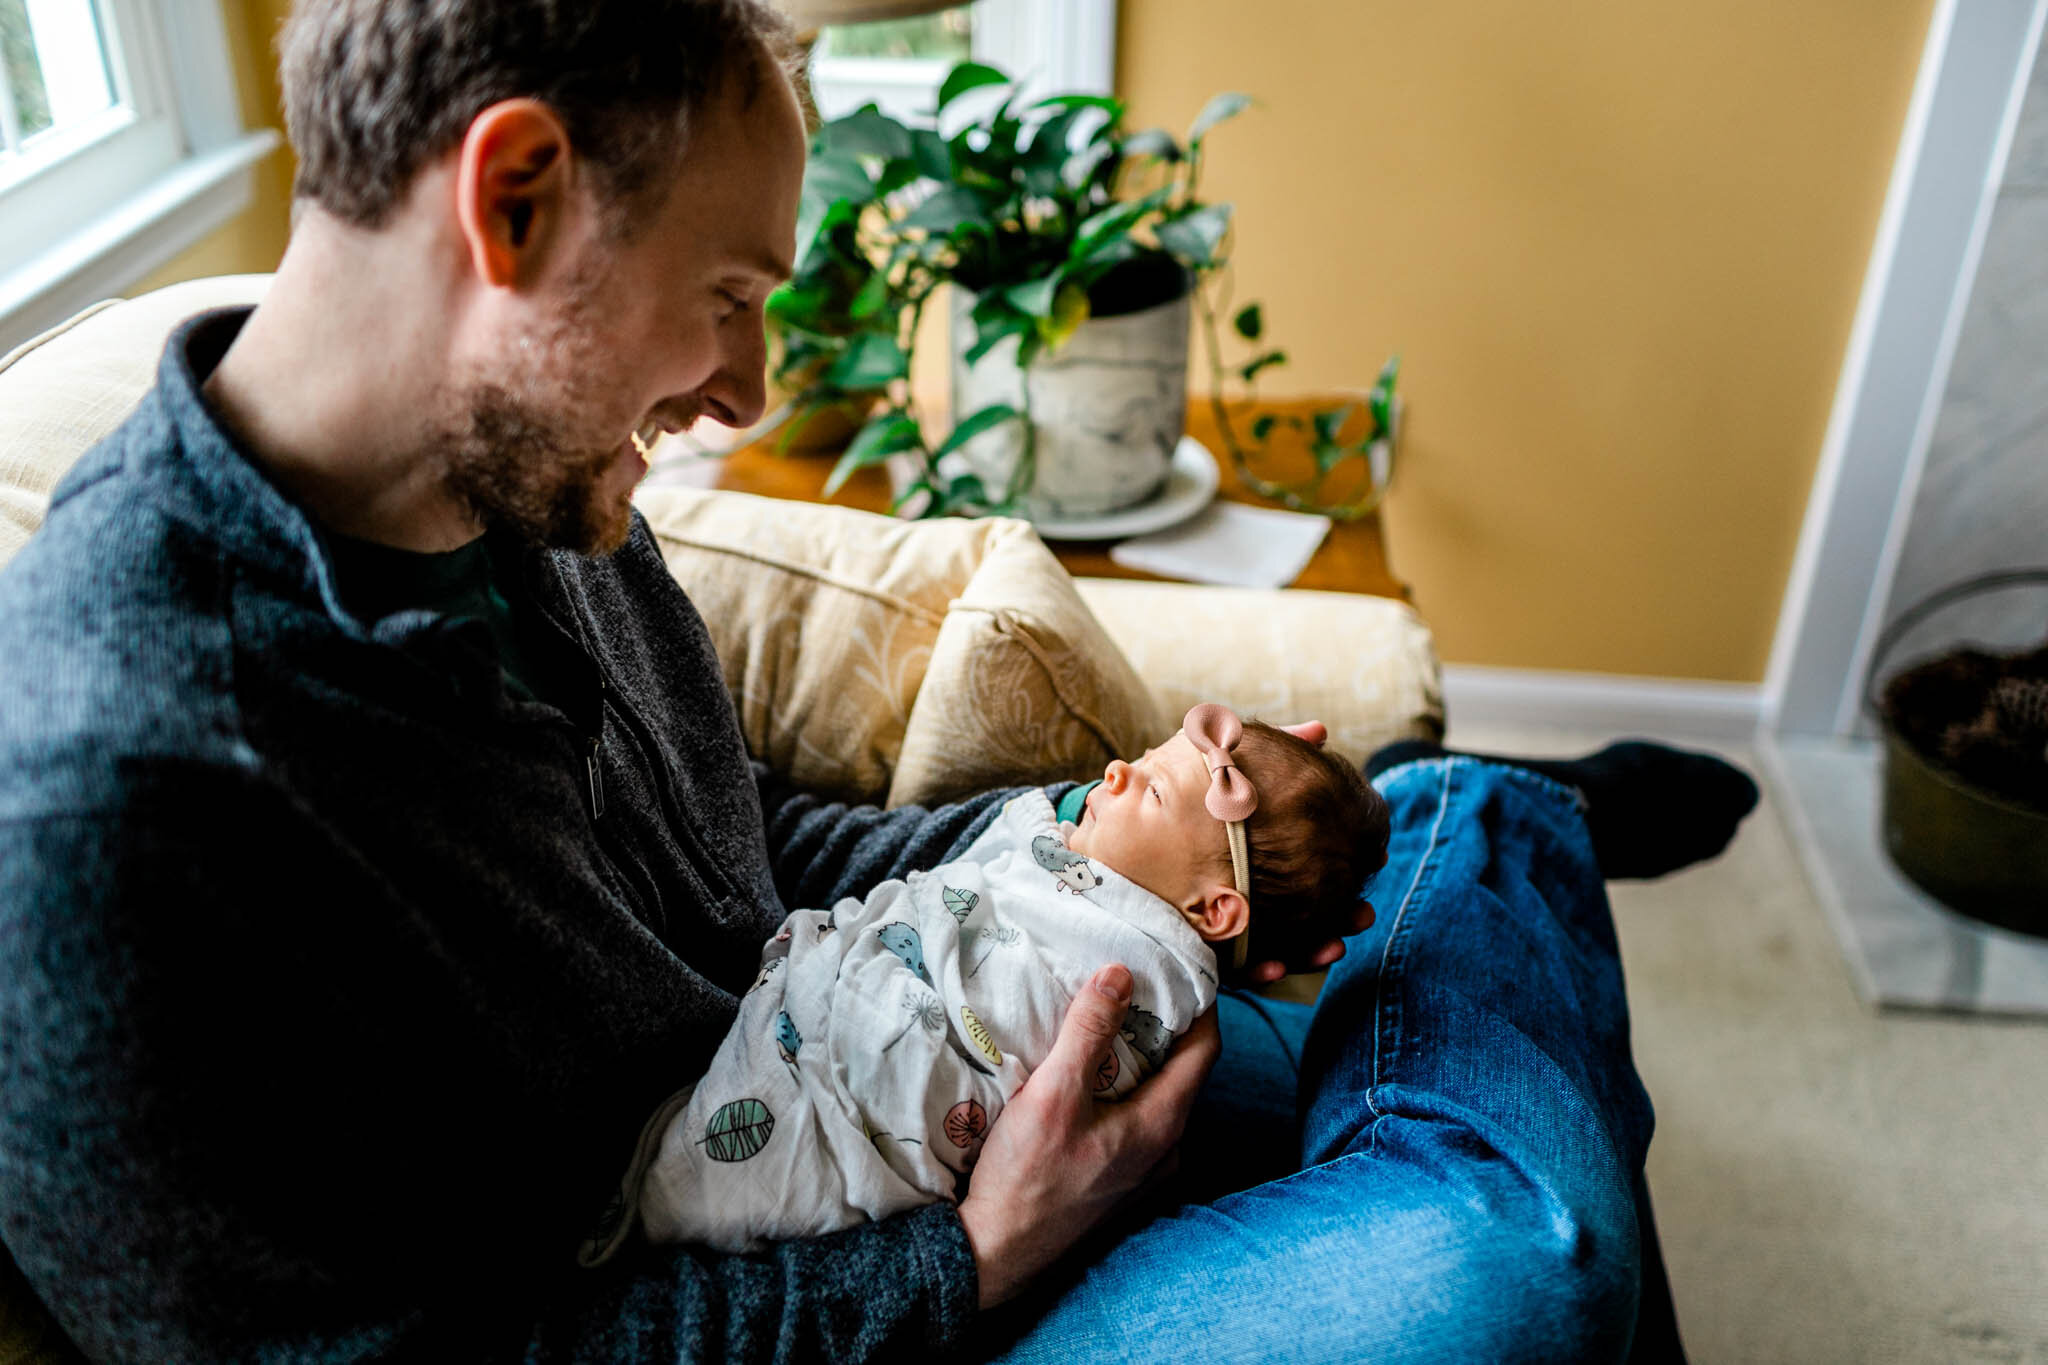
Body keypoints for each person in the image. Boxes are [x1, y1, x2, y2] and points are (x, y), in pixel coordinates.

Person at [0, 0, 1757, 1359]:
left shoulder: (518, 487)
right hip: (806, 1289)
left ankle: (1482, 837)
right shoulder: (107, 813)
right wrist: (973, 1253)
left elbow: (735, 857)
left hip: (891, 1075)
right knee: (1508, 1253)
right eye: (730, 292)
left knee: (1401, 912)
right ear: (515, 199)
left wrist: (1081, 839)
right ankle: (1501, 834)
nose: (749, 386)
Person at [587, 707, 1387, 1259]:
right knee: (1448, 1244)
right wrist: (983, 1254)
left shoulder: (1133, 963)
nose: (1111, 771)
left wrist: (1076, 823)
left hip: (920, 1125)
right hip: (946, 1257)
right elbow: (989, 892)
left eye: (1149, 786)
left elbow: (995, 996)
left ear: (1212, 910)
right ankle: (1445, 800)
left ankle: (1448, 805)